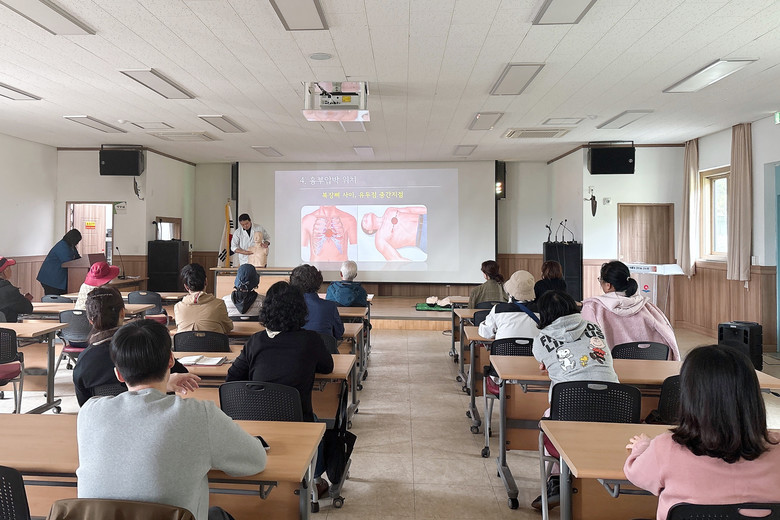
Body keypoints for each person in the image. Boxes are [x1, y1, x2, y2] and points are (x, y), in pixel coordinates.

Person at [76, 319, 266, 520]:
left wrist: (161, 385)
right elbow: (256, 460)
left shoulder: (89, 412)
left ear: (119, 375)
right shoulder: (199, 415)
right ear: (170, 360)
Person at [624, 345, 780, 520]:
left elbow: (636, 475)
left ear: (690, 397)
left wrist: (642, 448)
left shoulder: (665, 449)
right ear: (752, 396)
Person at [226, 281, 333, 497]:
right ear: (300, 310)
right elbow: (327, 367)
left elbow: (232, 378)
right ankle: (315, 479)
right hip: (297, 419)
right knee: (318, 423)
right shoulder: (310, 340)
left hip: (254, 418)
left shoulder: (256, 341)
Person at [531, 289, 618, 510]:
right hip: (616, 412)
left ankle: (556, 481)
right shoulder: (595, 328)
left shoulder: (541, 340)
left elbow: (544, 364)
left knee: (546, 421)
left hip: (568, 414)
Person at [73, 287, 200, 406]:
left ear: (90, 320)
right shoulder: (148, 343)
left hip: (108, 420)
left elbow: (85, 405)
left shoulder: (83, 361)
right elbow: (182, 375)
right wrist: (164, 384)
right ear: (122, 313)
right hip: (156, 416)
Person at [581, 260, 680, 360]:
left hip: (612, 367)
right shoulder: (648, 308)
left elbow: (585, 343)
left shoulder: (592, 308)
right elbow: (669, 339)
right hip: (649, 365)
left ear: (608, 285)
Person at [478, 270, 539, 340]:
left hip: (503, 347)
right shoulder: (541, 311)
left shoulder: (498, 310)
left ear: (510, 292)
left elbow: (485, 333)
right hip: (532, 347)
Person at [174, 263, 233, 334]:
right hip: (212, 341)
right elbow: (228, 327)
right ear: (206, 281)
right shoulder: (219, 304)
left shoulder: (178, 307)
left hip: (185, 341)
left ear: (186, 287)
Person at [290, 264, 344, 339]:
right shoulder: (330, 306)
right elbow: (339, 332)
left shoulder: (290, 307)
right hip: (324, 346)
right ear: (318, 282)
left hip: (297, 346)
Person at [360, 206, 427, 261]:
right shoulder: (380, 239)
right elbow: (396, 259)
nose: (364, 218)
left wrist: (430, 209)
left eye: (364, 216)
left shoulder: (389, 211)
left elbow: (410, 210)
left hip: (426, 218)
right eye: (363, 223)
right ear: (370, 231)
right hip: (423, 239)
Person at [37, 229, 82, 295]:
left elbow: (78, 258)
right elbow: (68, 262)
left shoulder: (70, 246)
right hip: (51, 279)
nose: (77, 243)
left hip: (58, 279)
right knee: (54, 299)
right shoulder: (62, 246)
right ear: (73, 239)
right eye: (77, 241)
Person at [0, 257, 33, 322]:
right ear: (5, 271)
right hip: (7, 328)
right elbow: (28, 309)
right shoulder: (10, 292)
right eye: (9, 267)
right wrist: (24, 299)